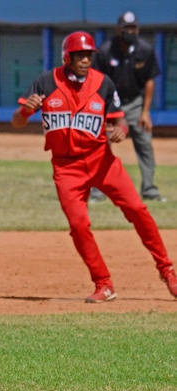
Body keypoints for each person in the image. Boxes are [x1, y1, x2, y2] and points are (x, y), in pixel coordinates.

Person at [11, 31, 177, 303]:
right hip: (66, 168)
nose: (86, 60)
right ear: (68, 56)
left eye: (89, 55)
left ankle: (168, 271)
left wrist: (121, 131)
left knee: (137, 209)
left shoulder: (103, 83)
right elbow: (17, 121)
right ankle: (104, 283)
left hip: (102, 161)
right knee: (78, 225)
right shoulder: (45, 82)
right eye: (80, 55)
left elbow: (119, 120)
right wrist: (26, 111)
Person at [91, 11, 165, 202]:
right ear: (118, 30)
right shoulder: (106, 50)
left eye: (133, 28)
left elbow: (149, 82)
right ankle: (98, 191)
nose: (130, 32)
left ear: (138, 30)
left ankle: (149, 190)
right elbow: (96, 82)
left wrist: (146, 112)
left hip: (134, 103)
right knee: (100, 146)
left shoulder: (145, 50)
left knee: (145, 144)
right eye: (126, 29)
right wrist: (101, 113)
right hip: (110, 104)